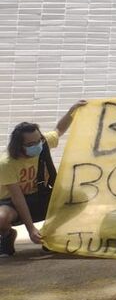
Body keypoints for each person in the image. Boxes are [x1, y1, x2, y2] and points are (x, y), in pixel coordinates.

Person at [1, 101, 87, 256]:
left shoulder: (43, 143)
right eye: (31, 143)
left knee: (79, 197)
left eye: (38, 140)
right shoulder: (6, 163)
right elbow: (18, 198)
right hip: (11, 203)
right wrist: (30, 229)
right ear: (19, 145)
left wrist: (71, 111)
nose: (37, 145)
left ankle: (49, 235)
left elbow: (59, 130)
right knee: (1, 218)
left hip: (40, 195)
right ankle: (7, 236)